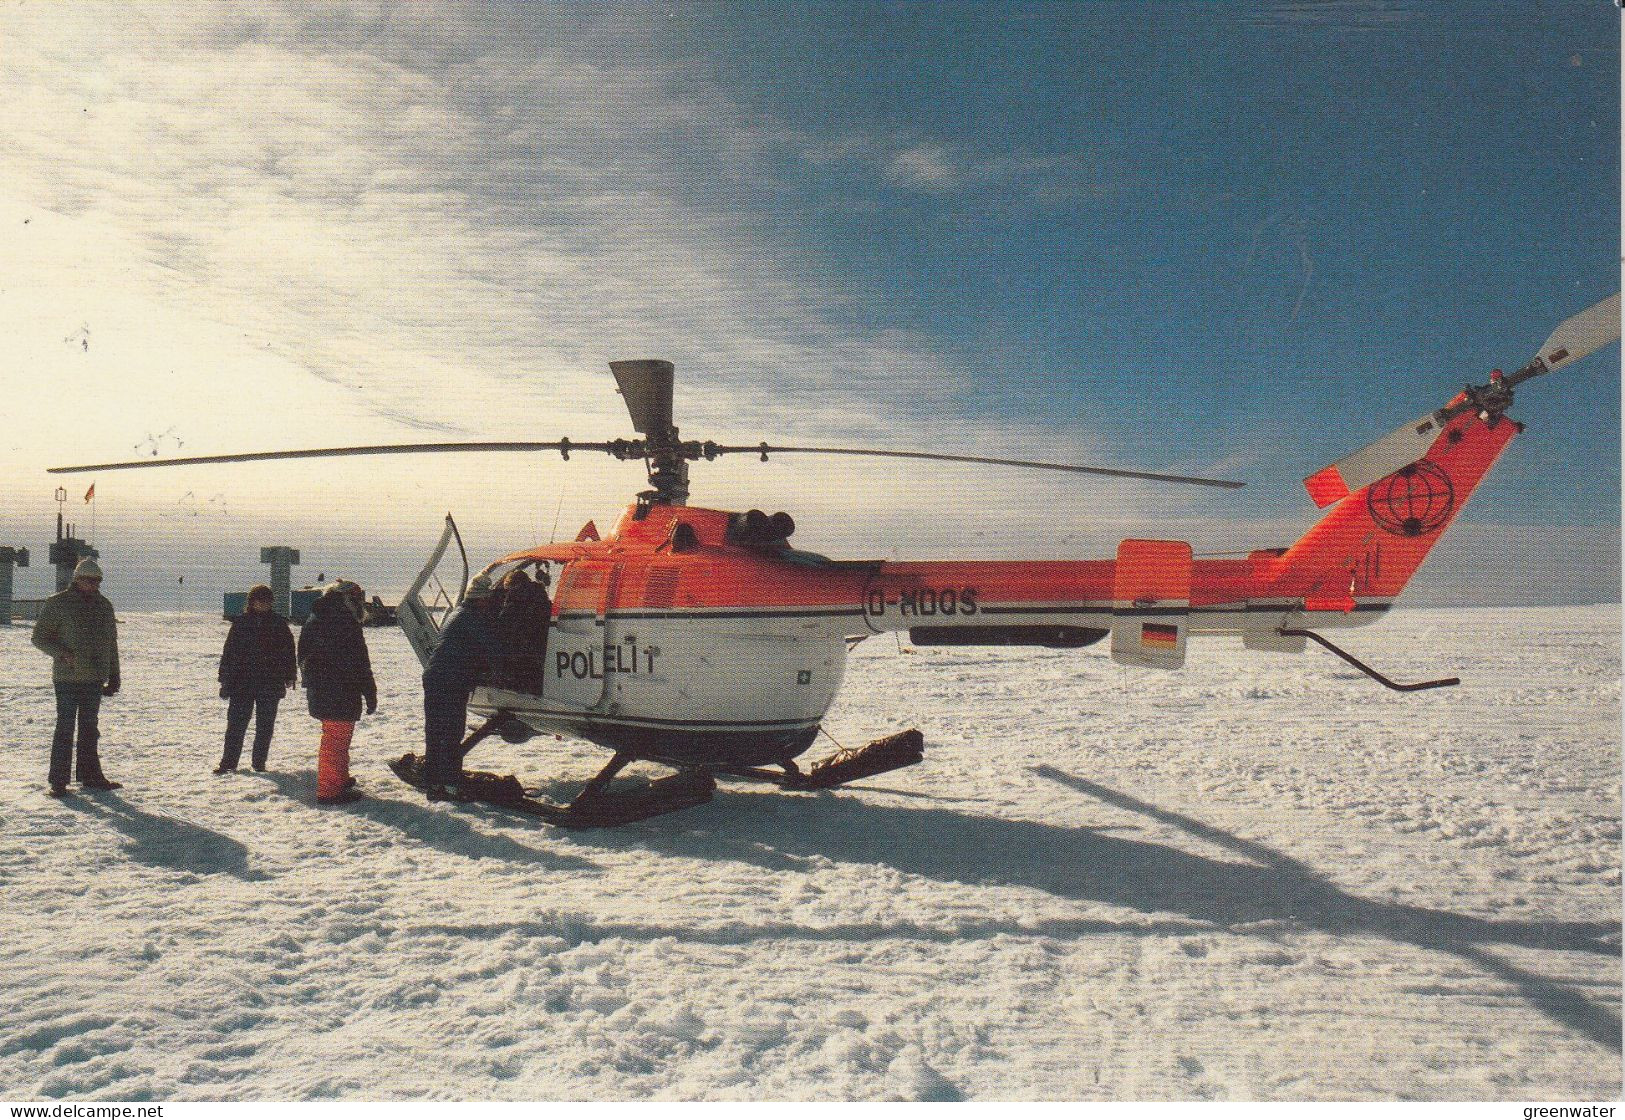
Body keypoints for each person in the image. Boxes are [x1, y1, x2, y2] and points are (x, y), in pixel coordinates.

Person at [31, 557, 121, 796]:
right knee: (65, 728)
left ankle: (91, 776)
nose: (92, 585)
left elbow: (111, 643)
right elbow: (39, 637)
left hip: (94, 678)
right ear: (77, 579)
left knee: (90, 728)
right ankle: (58, 782)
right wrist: (62, 654)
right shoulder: (57, 604)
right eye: (88, 580)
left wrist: (114, 675)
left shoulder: (104, 606)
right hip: (67, 679)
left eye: (96, 581)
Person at [421, 574, 505, 795]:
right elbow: (493, 647)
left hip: (434, 676)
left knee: (435, 730)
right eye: (487, 599)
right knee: (450, 731)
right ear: (481, 598)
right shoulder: (474, 618)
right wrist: (502, 671)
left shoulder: (457, 613)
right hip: (451, 679)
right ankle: (450, 784)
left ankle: (433, 780)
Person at [297, 580, 377, 805]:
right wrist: (370, 692)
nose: (360, 603)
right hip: (339, 691)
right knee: (335, 741)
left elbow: (302, 655)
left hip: (323, 690)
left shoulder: (316, 618)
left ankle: (338, 778)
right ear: (346, 599)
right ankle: (330, 791)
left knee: (337, 738)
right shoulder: (344, 622)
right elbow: (360, 662)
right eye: (356, 598)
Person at [215, 583, 297, 774]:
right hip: (242, 683)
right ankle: (228, 763)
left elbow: (288, 652)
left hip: (270, 683)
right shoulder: (241, 623)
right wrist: (224, 678)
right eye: (260, 600)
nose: (263, 604)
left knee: (265, 727)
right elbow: (229, 653)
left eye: (267, 601)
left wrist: (290, 675)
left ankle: (259, 763)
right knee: (236, 725)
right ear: (251, 602)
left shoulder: (279, 623)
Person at [494, 566, 552, 693]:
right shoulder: (541, 597)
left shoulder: (514, 601)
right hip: (541, 647)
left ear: (513, 586)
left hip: (521, 650)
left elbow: (503, 627)